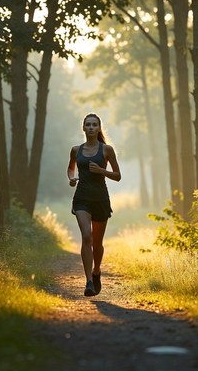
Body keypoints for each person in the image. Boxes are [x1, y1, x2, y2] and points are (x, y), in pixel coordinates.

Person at [67, 113, 121, 296]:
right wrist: (71, 178)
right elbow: (70, 167)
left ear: (99, 128)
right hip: (82, 198)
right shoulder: (76, 149)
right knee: (87, 237)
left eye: (94, 125)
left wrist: (101, 171)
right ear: (83, 128)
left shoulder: (106, 150)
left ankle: (96, 271)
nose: (90, 127)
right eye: (87, 124)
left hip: (100, 200)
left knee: (97, 243)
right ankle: (89, 281)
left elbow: (118, 176)